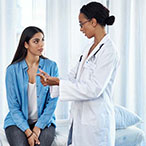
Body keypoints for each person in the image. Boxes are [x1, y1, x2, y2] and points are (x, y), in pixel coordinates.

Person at [37, 2, 120, 146]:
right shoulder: (88, 48)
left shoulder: (109, 51)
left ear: (93, 22)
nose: (81, 29)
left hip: (96, 123)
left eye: (82, 24)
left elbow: (93, 89)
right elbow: (73, 77)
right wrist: (52, 81)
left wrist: (58, 83)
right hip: (81, 119)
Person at [4, 26, 59, 146]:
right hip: (16, 122)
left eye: (42, 40)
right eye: (36, 41)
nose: (41, 44)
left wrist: (38, 127)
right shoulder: (12, 70)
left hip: (44, 122)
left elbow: (52, 101)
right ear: (26, 44)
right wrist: (29, 132)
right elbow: (13, 106)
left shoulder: (52, 66)